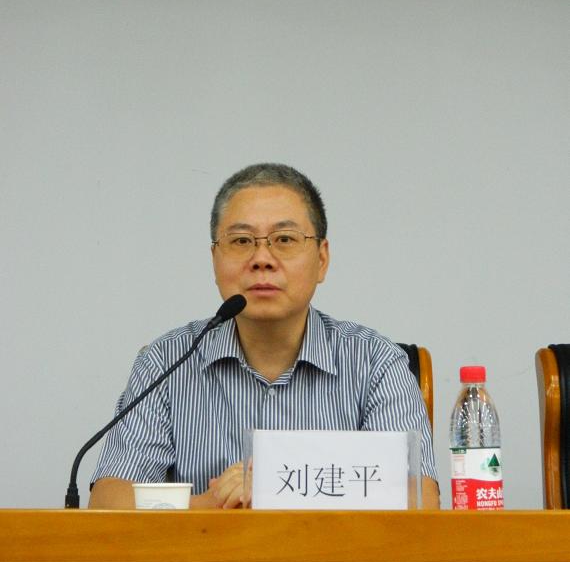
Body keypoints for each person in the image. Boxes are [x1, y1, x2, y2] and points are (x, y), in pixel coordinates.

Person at [89, 163, 440, 509]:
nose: (261, 259)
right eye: (241, 241)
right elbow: (108, 500)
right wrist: (211, 505)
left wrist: (279, 486)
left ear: (321, 259)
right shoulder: (166, 363)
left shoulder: (376, 363)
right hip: (207, 550)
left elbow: (418, 501)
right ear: (215, 259)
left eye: (284, 240)